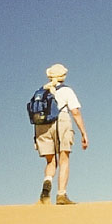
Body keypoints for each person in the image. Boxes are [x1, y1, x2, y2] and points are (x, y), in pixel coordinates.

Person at [36, 64, 89, 205]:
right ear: (63, 76)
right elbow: (76, 112)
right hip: (61, 121)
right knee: (64, 158)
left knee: (50, 161)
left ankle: (47, 184)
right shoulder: (66, 91)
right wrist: (83, 133)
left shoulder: (42, 92)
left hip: (41, 126)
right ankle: (61, 195)